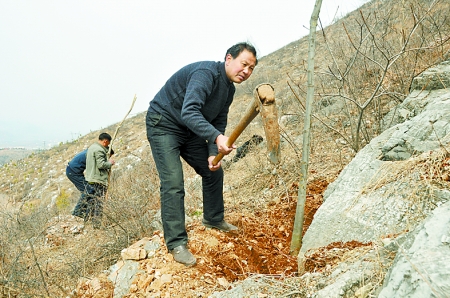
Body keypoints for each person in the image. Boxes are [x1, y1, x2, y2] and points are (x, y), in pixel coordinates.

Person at [146, 42, 258, 266]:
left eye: (251, 68)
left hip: (190, 130)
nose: (246, 71)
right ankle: (176, 243)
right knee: (173, 182)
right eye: (243, 64)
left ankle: (213, 219)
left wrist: (211, 152)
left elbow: (218, 121)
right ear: (228, 59)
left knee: (213, 171)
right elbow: (190, 111)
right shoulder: (205, 74)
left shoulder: (229, 90)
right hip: (164, 125)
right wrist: (217, 138)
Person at [66, 147, 114, 220]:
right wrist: (109, 163)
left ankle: (87, 215)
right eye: (108, 156)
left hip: (74, 171)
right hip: (73, 172)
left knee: (91, 192)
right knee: (88, 190)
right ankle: (77, 213)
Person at [85, 132, 115, 228]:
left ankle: (88, 221)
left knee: (91, 201)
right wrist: (110, 163)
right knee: (99, 202)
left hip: (91, 178)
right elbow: (101, 164)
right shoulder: (99, 150)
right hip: (98, 179)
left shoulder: (92, 147)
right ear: (105, 141)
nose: (108, 145)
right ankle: (97, 224)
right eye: (108, 143)